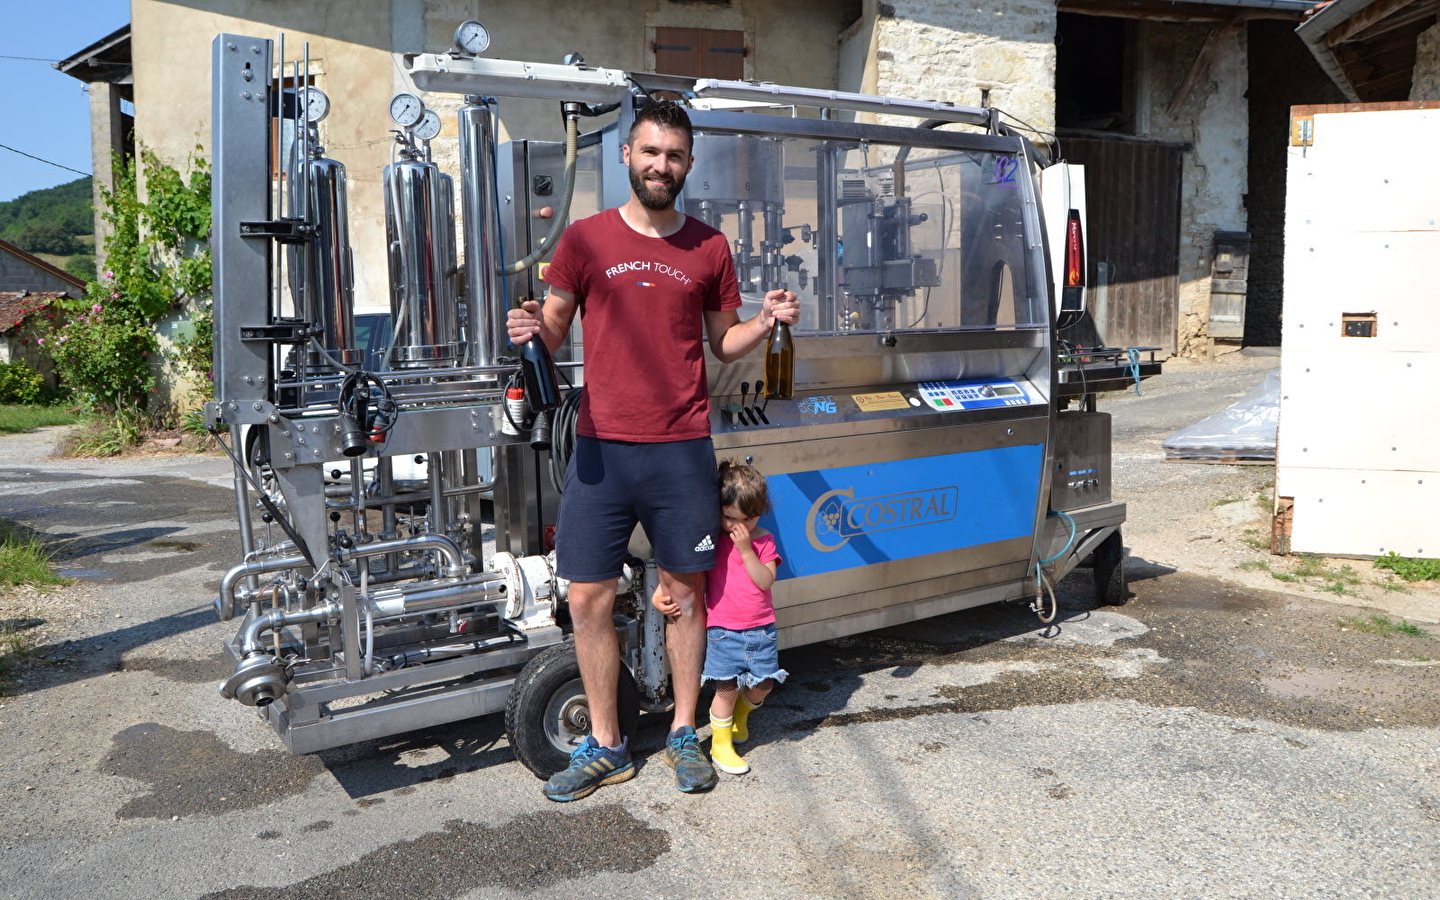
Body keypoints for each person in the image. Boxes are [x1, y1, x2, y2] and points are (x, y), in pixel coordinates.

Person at [506, 100, 800, 802]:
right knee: (586, 599)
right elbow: (550, 332)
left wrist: (763, 321)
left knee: (687, 597)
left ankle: (683, 732)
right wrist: (528, 329)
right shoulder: (583, 240)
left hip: (680, 450)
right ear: (626, 157)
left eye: (672, 155)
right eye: (649, 152)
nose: (660, 165)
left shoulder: (709, 247)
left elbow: (721, 341)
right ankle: (607, 743)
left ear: (687, 164)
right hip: (603, 450)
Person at [653, 460, 785, 775]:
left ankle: (741, 716)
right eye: (728, 518)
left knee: (763, 684)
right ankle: (720, 745)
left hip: (761, 631)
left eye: (748, 519)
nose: (737, 527)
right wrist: (660, 594)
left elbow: (764, 581)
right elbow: (684, 570)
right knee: (725, 689)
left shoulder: (762, 541)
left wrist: (746, 550)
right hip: (723, 631)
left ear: (759, 513)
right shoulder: (711, 539)